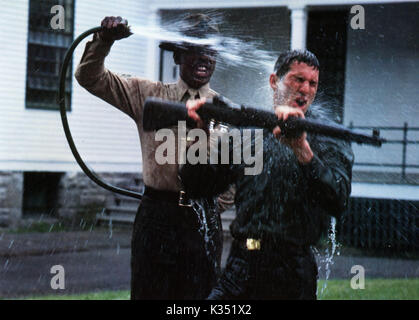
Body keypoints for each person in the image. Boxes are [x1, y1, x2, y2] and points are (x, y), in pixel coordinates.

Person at [75, 14, 229, 300]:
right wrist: (104, 41)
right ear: (178, 56)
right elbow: (89, 77)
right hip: (157, 216)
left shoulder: (224, 110)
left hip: (203, 220)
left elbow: (233, 174)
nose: (204, 58)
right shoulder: (147, 95)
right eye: (195, 49)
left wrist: (210, 207)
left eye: (210, 51)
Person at [180, 50, 354, 299]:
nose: (305, 89)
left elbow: (338, 201)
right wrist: (198, 135)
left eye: (312, 83)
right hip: (242, 265)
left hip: (292, 272)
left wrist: (303, 152)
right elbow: (197, 186)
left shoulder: (328, 137)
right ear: (275, 81)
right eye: (297, 79)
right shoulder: (248, 129)